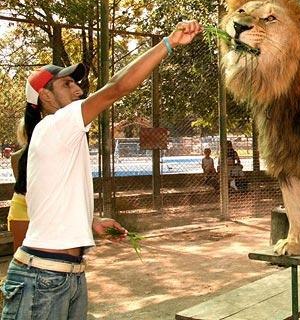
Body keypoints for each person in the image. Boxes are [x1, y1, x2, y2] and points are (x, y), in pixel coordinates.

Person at [1, 20, 202, 319]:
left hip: (69, 276)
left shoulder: (62, 135)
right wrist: (168, 43)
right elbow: (117, 88)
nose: (78, 88)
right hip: (42, 277)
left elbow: (50, 203)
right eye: (66, 84)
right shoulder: (54, 125)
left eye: (76, 82)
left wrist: (90, 221)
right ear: (44, 96)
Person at [7, 118, 29, 252]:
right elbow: (22, 186)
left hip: (45, 204)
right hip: (22, 203)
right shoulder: (16, 157)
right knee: (20, 253)